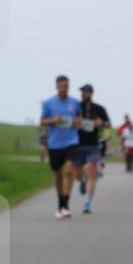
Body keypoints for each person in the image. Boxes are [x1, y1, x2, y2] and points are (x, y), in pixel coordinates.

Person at [40, 75, 81, 218]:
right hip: (55, 143)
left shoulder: (75, 102)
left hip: (71, 141)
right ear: (57, 86)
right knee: (57, 174)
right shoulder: (49, 103)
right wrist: (53, 120)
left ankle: (66, 204)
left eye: (66, 86)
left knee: (69, 169)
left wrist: (78, 122)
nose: (64, 89)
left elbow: (79, 119)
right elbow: (43, 121)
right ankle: (60, 203)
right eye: (61, 86)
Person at [75, 84, 110, 214]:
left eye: (85, 92)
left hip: (93, 145)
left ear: (91, 93)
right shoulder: (76, 107)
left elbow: (108, 123)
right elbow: (68, 120)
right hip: (77, 144)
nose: (83, 94)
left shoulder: (99, 108)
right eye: (82, 92)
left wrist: (101, 123)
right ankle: (82, 181)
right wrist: (76, 122)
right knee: (78, 175)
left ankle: (87, 202)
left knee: (92, 172)